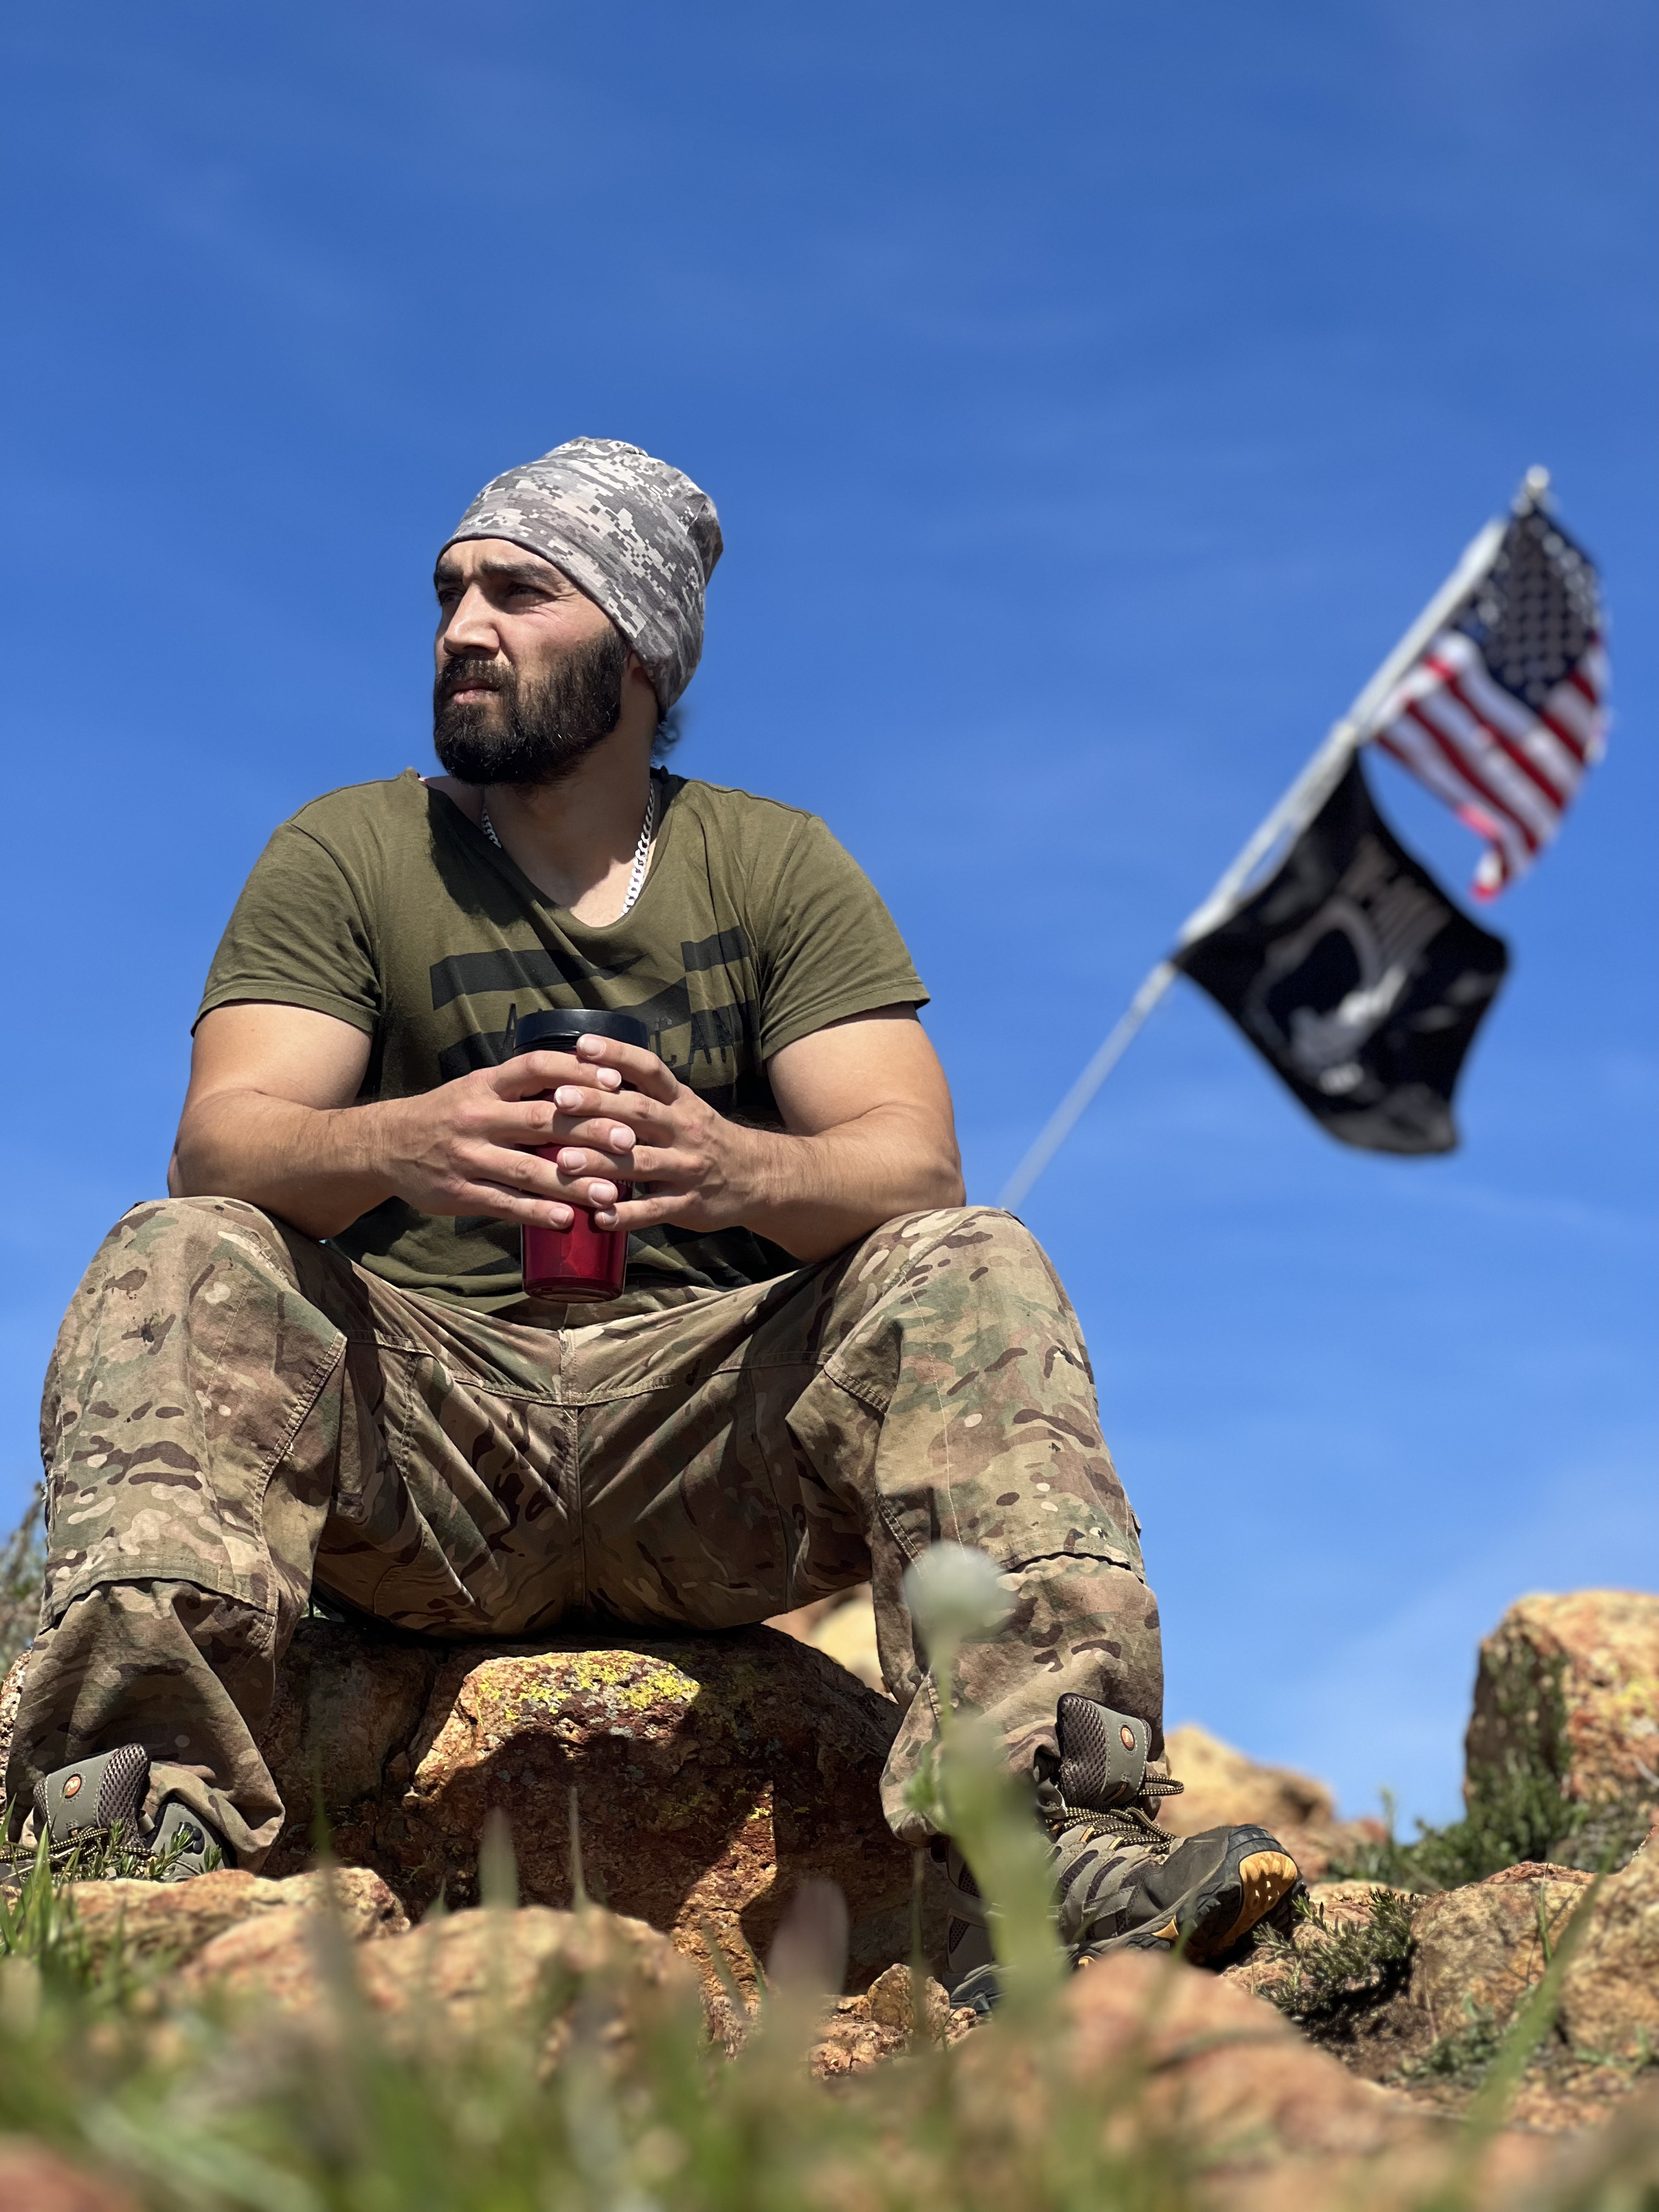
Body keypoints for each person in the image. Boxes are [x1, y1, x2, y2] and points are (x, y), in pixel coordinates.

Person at [5, 438, 1296, 1997]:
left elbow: (916, 1168)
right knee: (183, 1254)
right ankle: (136, 1847)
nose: (462, 626)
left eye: (519, 592)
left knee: (969, 1268)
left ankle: (1041, 1873)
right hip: (431, 1455)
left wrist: (733, 1170)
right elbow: (223, 1141)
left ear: (638, 648)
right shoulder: (350, 849)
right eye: (449, 592)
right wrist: (404, 1140)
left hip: (707, 1448)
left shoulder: (775, 863)